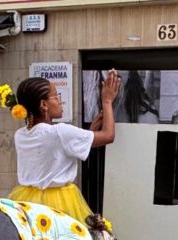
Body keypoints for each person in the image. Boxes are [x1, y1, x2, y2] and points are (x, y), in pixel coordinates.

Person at [8, 71, 121, 222]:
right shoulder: (60, 132)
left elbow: (55, 152)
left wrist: (88, 134)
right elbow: (108, 135)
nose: (60, 101)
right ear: (43, 105)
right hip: (59, 203)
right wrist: (107, 101)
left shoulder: (20, 135)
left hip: (28, 203)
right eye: (56, 96)